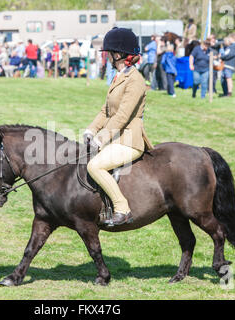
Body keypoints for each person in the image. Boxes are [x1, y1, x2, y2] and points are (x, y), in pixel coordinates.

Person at [83, 27, 154, 227]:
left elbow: (123, 115)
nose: (107, 58)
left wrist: (102, 138)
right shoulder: (119, 77)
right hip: (116, 137)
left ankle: (122, 208)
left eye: (108, 54)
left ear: (119, 54)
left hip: (130, 140)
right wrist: (91, 130)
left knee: (94, 166)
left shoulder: (136, 80)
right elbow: (106, 111)